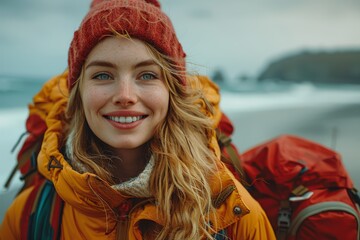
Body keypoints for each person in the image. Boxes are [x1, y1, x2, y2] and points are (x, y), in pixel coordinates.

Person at [0, 0, 276, 239]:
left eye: (147, 75)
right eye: (103, 75)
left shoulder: (232, 212)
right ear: (78, 94)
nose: (125, 95)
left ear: (172, 91)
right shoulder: (28, 215)